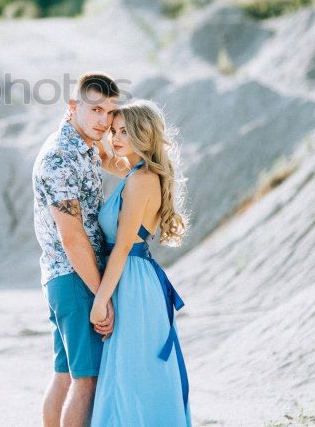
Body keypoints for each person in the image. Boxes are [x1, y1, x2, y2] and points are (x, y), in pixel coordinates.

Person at [88, 100, 192, 426]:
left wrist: (100, 302)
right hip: (131, 277)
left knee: (130, 373)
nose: (115, 138)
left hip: (130, 280)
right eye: (114, 131)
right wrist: (82, 125)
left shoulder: (142, 179)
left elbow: (121, 247)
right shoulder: (134, 171)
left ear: (143, 136)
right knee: (128, 372)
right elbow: (103, 156)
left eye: (125, 132)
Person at [32, 72, 121, 427]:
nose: (105, 120)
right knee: (88, 378)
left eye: (111, 112)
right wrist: (101, 295)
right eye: (96, 109)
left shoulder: (81, 149)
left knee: (67, 374)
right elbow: (72, 237)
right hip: (74, 278)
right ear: (73, 107)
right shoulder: (60, 158)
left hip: (65, 278)